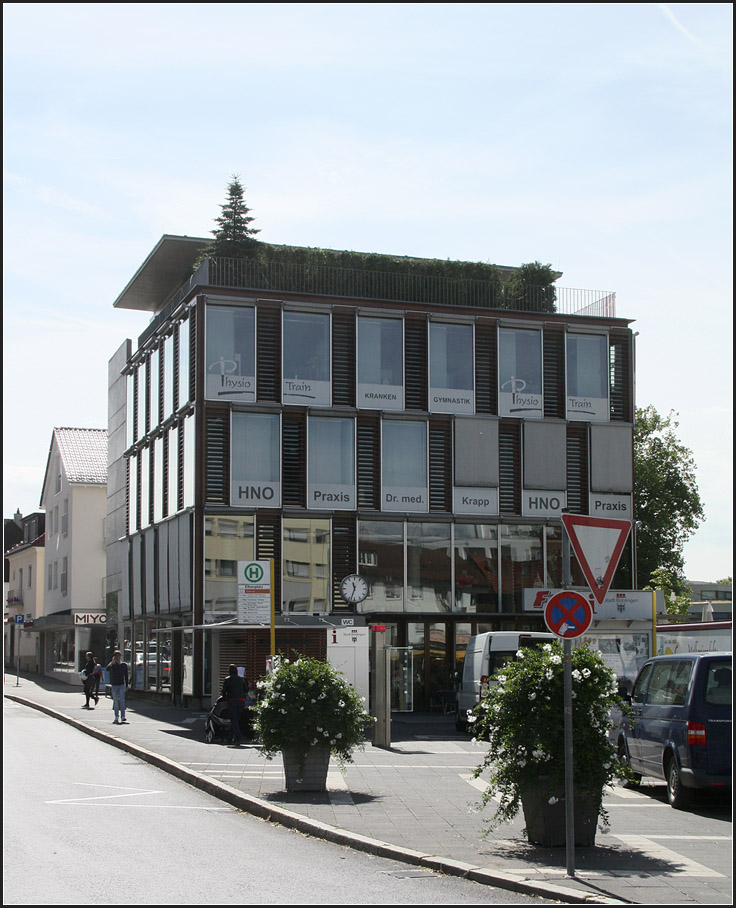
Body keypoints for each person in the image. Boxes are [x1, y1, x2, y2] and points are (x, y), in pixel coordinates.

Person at [221, 665, 247, 746]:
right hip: (241, 701)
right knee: (236, 720)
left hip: (232, 701)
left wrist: (224, 697)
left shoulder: (227, 679)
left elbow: (223, 691)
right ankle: (230, 738)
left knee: (233, 720)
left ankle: (238, 737)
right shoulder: (241, 679)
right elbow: (246, 690)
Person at [106, 650, 130, 724]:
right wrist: (111, 662)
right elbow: (107, 669)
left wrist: (127, 685)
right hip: (114, 685)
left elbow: (126, 675)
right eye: (116, 656)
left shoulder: (124, 665)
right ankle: (116, 716)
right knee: (115, 701)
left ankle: (123, 716)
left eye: (119, 656)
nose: (117, 658)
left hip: (121, 684)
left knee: (122, 700)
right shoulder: (113, 665)